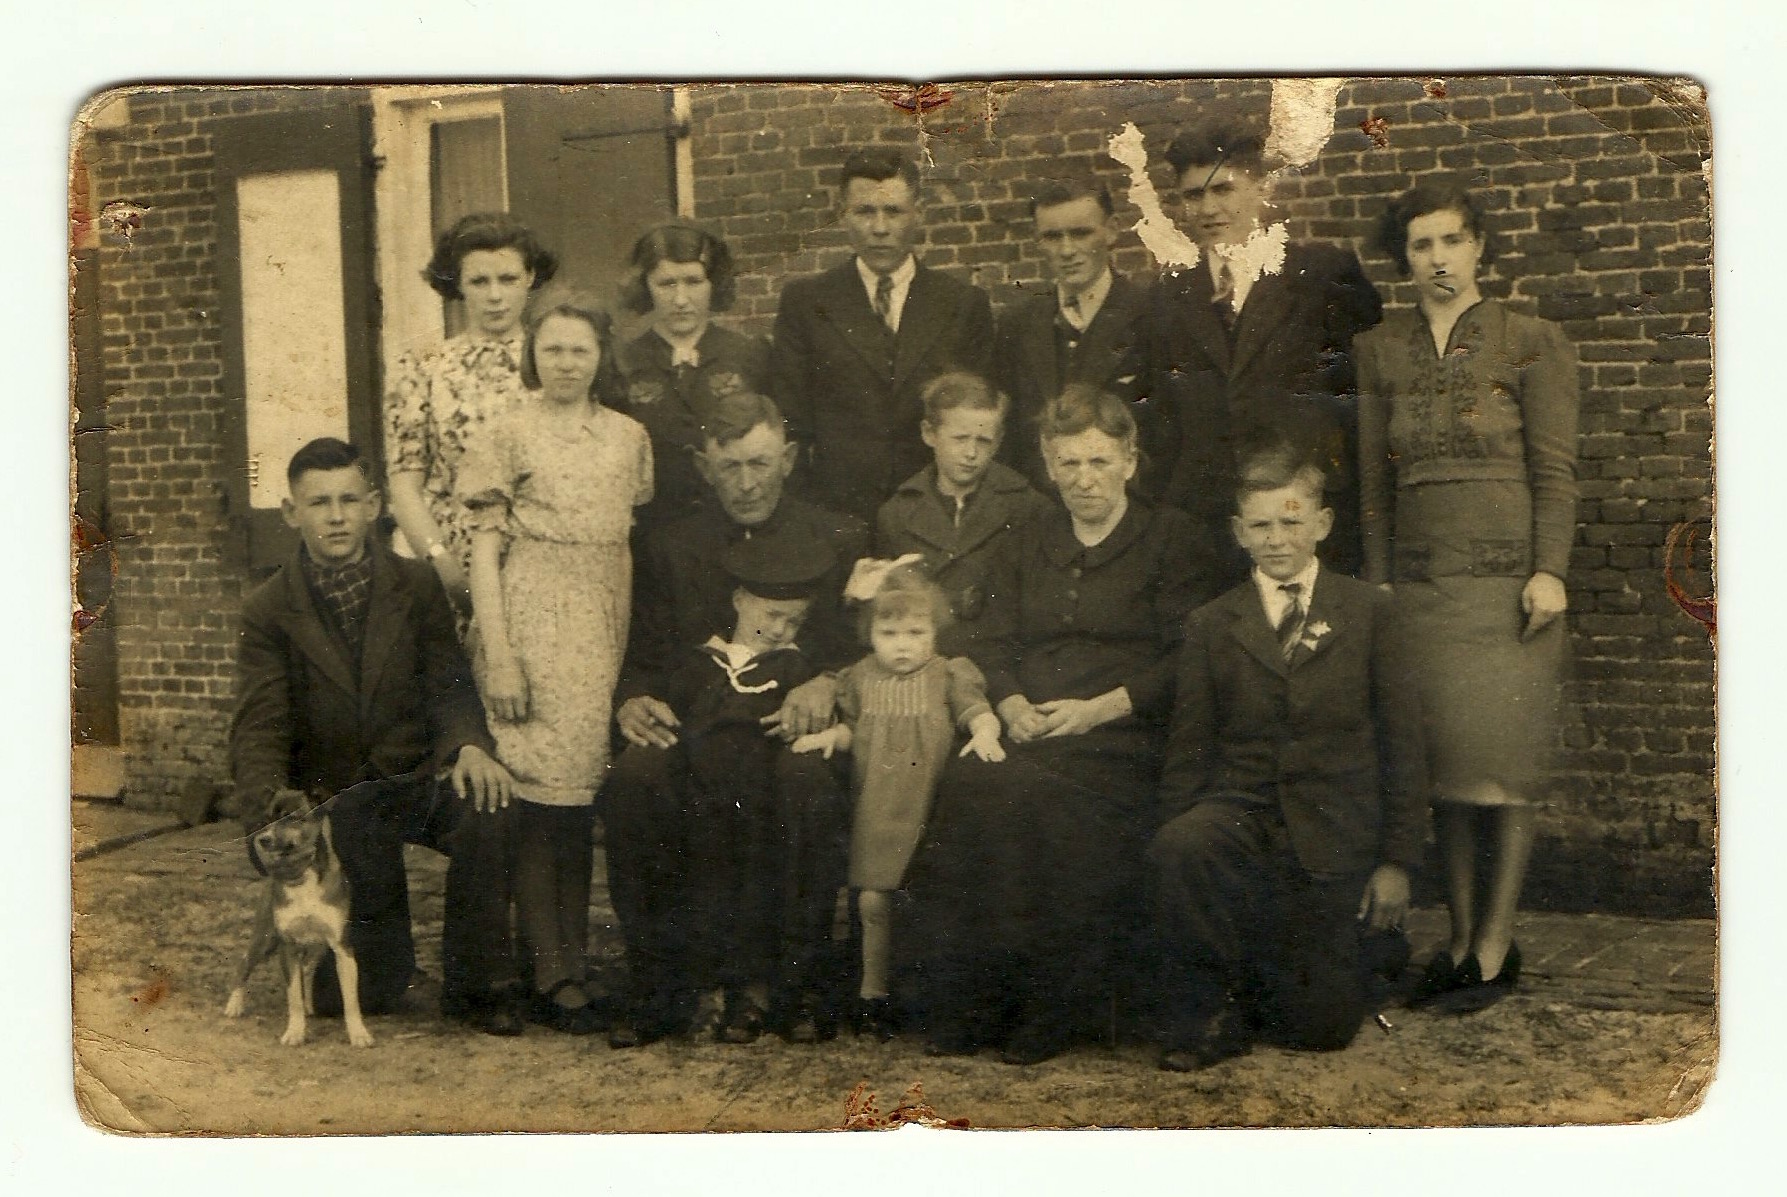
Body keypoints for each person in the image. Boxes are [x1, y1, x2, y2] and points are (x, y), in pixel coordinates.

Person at [907, 385, 1217, 1065]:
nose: (1085, 479)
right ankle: (972, 999)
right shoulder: (1026, 539)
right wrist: (1011, 703)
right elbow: (990, 641)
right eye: (1068, 463)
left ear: (1129, 460)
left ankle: (1048, 1006)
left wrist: (1099, 708)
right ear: (1047, 465)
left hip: (1123, 740)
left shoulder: (1170, 538)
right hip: (1031, 728)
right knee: (970, 785)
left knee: (1038, 801)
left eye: (1100, 461)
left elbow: (1187, 659)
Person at [1357, 179, 1580, 1013]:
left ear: (1479, 245)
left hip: (1508, 591)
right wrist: (1379, 580)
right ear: (1404, 259)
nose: (1437, 259)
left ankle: (1493, 945)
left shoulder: (1532, 340)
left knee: (1503, 769)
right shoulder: (1379, 350)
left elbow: (1554, 469)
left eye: (1451, 240)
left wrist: (1549, 568)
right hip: (1420, 591)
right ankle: (1455, 940)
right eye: (1421, 245)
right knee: (1443, 770)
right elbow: (1374, 486)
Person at [1147, 449, 1427, 1072]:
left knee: (1317, 1029)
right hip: (1244, 813)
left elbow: (1403, 744)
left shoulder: (1369, 611)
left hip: (1333, 827)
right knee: (1185, 845)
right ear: (1238, 532)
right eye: (1261, 525)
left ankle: (1356, 957)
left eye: (1291, 521)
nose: (1276, 539)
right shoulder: (1213, 623)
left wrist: (1396, 862)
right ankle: (1212, 1010)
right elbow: (1190, 746)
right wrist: (1175, 845)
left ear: (1322, 524)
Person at [230, 437, 522, 1034]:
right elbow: (260, 725)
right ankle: (384, 970)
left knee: (488, 809)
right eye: (319, 503)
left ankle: (477, 986)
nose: (336, 516)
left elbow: (448, 682)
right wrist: (266, 816)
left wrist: (468, 745)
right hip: (337, 799)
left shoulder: (416, 585)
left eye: (348, 500)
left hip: (416, 779)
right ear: (291, 512)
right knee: (370, 992)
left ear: (373, 505)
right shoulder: (267, 608)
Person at [605, 390, 869, 1047]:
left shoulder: (839, 537)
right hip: (697, 721)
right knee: (637, 780)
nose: (746, 483)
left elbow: (864, 647)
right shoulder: (670, 545)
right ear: (703, 466)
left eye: (759, 463)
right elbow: (643, 654)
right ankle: (661, 986)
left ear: (788, 458)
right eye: (730, 466)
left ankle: (790, 984)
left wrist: (829, 682)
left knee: (805, 785)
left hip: (792, 722)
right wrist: (633, 699)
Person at [460, 289, 653, 1034]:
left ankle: (567, 962)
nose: (565, 363)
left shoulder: (629, 437)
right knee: (539, 804)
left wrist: (624, 646)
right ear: (531, 354)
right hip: (532, 618)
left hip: (601, 625)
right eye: (551, 349)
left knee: (582, 798)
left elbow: (625, 544)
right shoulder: (507, 431)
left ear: (601, 356)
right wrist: (500, 655)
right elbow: (484, 552)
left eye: (579, 349)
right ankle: (550, 973)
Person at [1143, 119, 1381, 583]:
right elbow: (1160, 421)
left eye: (1223, 190)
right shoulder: (1168, 296)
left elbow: (1361, 404)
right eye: (1194, 196)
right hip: (1206, 534)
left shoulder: (1322, 275)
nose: (1209, 209)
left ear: (1260, 188)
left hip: (1302, 520)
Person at [793, 566, 1006, 1041]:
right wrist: (829, 737)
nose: (902, 646)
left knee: (928, 900)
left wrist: (985, 733)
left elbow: (976, 713)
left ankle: (929, 996)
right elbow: (855, 730)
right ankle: (873, 994)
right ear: (869, 634)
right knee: (872, 900)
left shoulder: (948, 674)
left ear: (936, 631)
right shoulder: (859, 678)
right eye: (888, 634)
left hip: (931, 806)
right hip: (878, 809)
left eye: (916, 633)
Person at [659, 535, 835, 1044]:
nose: (781, 629)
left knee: (763, 880)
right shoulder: (700, 663)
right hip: (702, 798)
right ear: (738, 600)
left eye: (795, 621)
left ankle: (759, 993)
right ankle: (708, 991)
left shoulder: (797, 669)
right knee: (705, 885)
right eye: (772, 615)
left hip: (764, 802)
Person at [769, 148, 996, 522]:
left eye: (893, 212)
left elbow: (980, 422)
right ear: (843, 213)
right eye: (864, 212)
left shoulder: (962, 304)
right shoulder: (807, 303)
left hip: (936, 515)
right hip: (837, 516)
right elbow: (790, 425)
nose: (879, 228)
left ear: (918, 213)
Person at [383, 213, 560, 616]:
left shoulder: (556, 360)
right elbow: (406, 488)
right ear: (458, 284)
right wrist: (445, 569)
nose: (495, 296)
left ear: (530, 277)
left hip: (543, 562)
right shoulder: (422, 366)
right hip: (452, 563)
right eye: (480, 282)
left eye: (508, 279)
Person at [869, 372, 1049, 657]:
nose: (971, 453)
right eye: (960, 438)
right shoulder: (896, 514)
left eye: (984, 441)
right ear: (929, 433)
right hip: (923, 659)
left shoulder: (1028, 506)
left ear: (999, 441)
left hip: (1001, 657)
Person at [613, 222, 771, 532]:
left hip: (734, 527)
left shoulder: (749, 355)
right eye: (667, 284)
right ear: (646, 287)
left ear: (714, 284)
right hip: (652, 532)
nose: (681, 299)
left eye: (693, 281)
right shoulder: (623, 362)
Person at [994, 178, 1149, 489]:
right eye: (1052, 237)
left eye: (1080, 233)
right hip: (1040, 507)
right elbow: (1007, 438)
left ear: (1111, 231)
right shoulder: (1018, 324)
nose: (1067, 250)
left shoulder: (1152, 315)